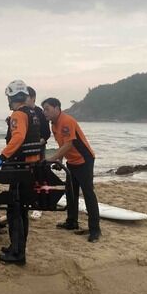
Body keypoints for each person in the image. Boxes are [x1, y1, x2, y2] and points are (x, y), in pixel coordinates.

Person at [0, 79, 41, 265]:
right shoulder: (33, 112)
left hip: (20, 168)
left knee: (15, 210)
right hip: (31, 167)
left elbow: (18, 136)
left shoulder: (18, 115)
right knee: (22, 211)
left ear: (12, 97)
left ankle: (18, 254)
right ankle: (16, 247)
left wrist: (2, 157)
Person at [41, 97, 102, 242]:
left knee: (88, 193)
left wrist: (53, 158)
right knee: (70, 192)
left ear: (57, 108)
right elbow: (62, 145)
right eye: (43, 109)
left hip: (84, 160)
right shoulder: (54, 125)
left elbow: (69, 144)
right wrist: (60, 160)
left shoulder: (67, 121)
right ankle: (72, 222)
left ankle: (95, 230)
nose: (45, 112)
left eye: (47, 109)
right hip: (72, 161)